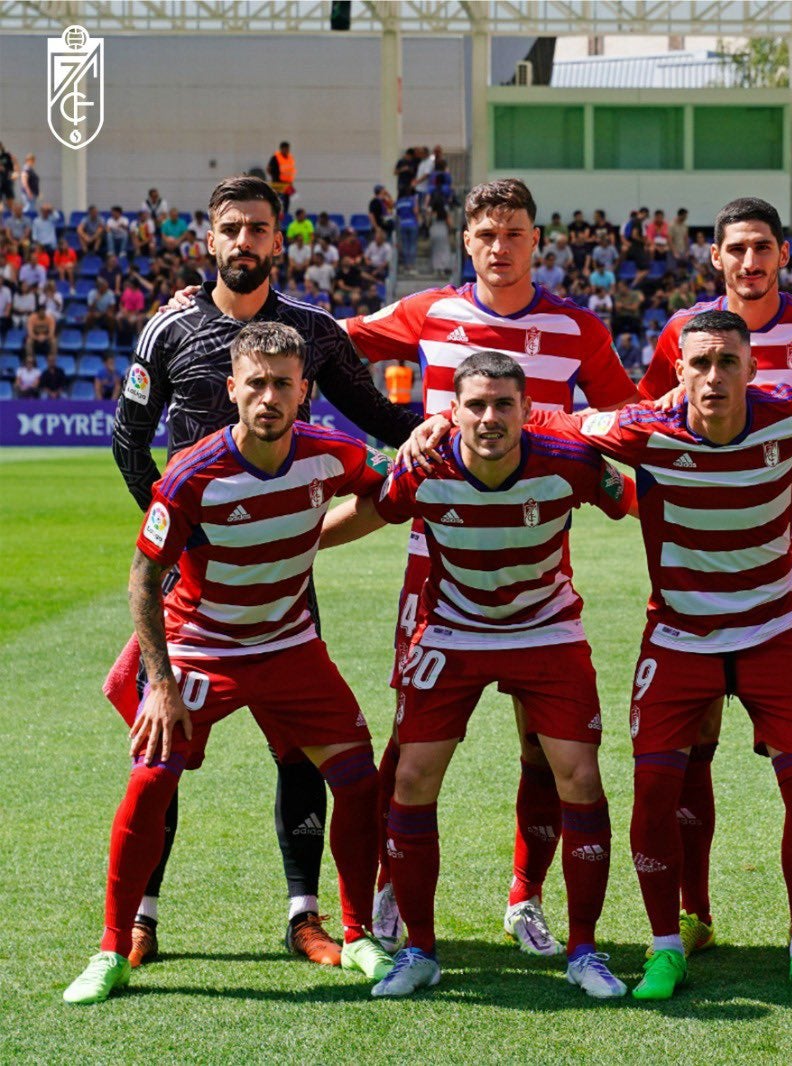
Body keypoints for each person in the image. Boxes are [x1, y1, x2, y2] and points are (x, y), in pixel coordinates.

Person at [108, 176, 422, 971]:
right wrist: (181, 538)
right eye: (230, 229)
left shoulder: (313, 332)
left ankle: (305, 916)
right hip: (195, 587)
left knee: (302, 753)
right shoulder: (169, 328)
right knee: (165, 742)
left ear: (280, 240)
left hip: (287, 584)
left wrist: (451, 436)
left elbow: (382, 422)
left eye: (258, 228)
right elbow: (128, 441)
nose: (244, 241)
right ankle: (140, 918)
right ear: (209, 240)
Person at [344, 177, 639, 958]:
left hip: (538, 549)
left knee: (544, 746)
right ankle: (390, 886)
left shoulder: (577, 328)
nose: (498, 247)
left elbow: (625, 420)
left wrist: (560, 425)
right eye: (485, 234)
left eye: (513, 233)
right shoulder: (428, 311)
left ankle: (527, 896)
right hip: (435, 559)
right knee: (410, 740)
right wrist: (396, 429)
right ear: (466, 240)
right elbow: (337, 344)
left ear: (534, 239)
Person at [64, 321, 395, 1005]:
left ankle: (359, 934)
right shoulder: (192, 474)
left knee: (359, 778)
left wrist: (315, 539)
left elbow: (379, 497)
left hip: (289, 642)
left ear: (305, 391)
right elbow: (142, 575)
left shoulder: (333, 452)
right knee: (151, 780)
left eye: (283, 384)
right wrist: (158, 683)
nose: (269, 396)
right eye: (256, 384)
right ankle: (111, 948)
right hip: (202, 645)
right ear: (232, 390)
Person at [320, 351, 635, 999]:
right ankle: (421, 952)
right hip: (454, 631)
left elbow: (636, 502)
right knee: (410, 775)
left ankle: (583, 951)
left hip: (545, 629)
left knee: (579, 775)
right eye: (476, 405)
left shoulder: (570, 462)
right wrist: (288, 545)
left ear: (525, 410)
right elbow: (370, 510)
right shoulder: (422, 467)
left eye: (502, 405)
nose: (489, 418)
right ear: (452, 411)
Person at [576, 309, 792, 1002]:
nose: (714, 375)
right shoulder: (644, 429)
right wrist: (443, 418)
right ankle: (667, 945)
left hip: (773, 631)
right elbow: (555, 424)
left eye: (728, 361)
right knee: (655, 789)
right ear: (678, 372)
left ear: (754, 369)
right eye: (699, 363)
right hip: (680, 637)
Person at [634, 198, 792, 960]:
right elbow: (650, 428)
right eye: (737, 249)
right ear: (716, 258)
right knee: (693, 743)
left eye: (763, 247)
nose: (750, 261)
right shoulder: (682, 333)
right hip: (700, 575)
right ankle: (694, 912)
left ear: (782, 254)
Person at [268, 141, 296, 213]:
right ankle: (276, 213)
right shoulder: (275, 157)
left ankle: (285, 214)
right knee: (278, 199)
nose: (287, 150)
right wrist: (275, 178)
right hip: (278, 183)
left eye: (288, 149)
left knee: (287, 200)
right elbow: (269, 169)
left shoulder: (290, 157)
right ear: (282, 149)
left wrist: (291, 182)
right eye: (286, 149)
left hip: (287, 183)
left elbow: (291, 170)